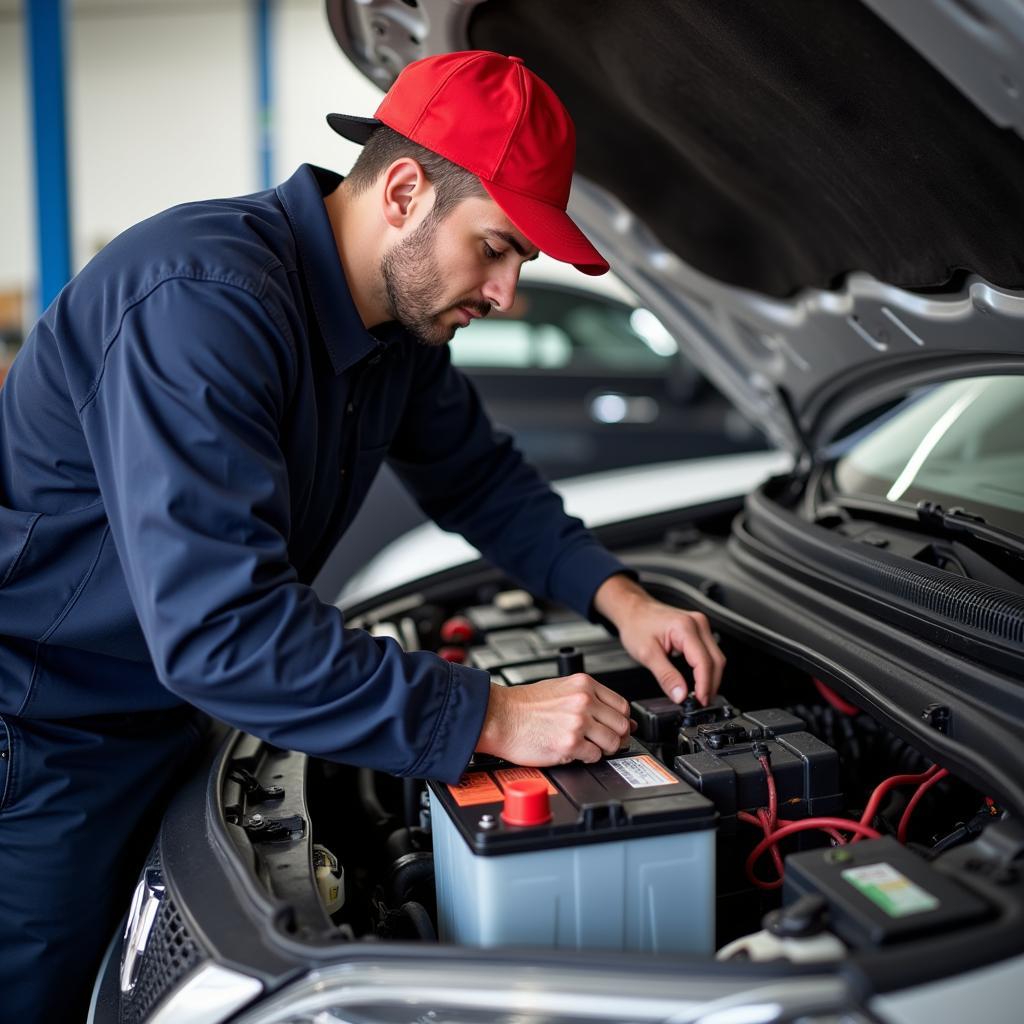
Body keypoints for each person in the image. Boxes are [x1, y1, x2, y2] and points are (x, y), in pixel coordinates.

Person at [0, 50, 724, 1021]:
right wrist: (491, 718)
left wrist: (621, 599)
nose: (506, 292)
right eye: (498, 248)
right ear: (404, 188)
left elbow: (479, 477)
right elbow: (224, 636)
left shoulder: (393, 330)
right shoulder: (200, 305)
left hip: (165, 714)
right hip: (45, 738)